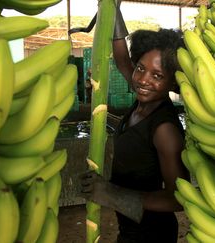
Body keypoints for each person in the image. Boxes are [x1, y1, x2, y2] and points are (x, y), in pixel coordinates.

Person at [79, 1, 189, 242]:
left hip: (152, 234)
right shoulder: (144, 100)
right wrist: (112, 8)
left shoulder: (165, 130)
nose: (143, 80)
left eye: (157, 75)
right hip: (129, 227)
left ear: (172, 83)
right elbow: (122, 60)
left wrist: (111, 194)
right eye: (141, 68)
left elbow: (178, 198)